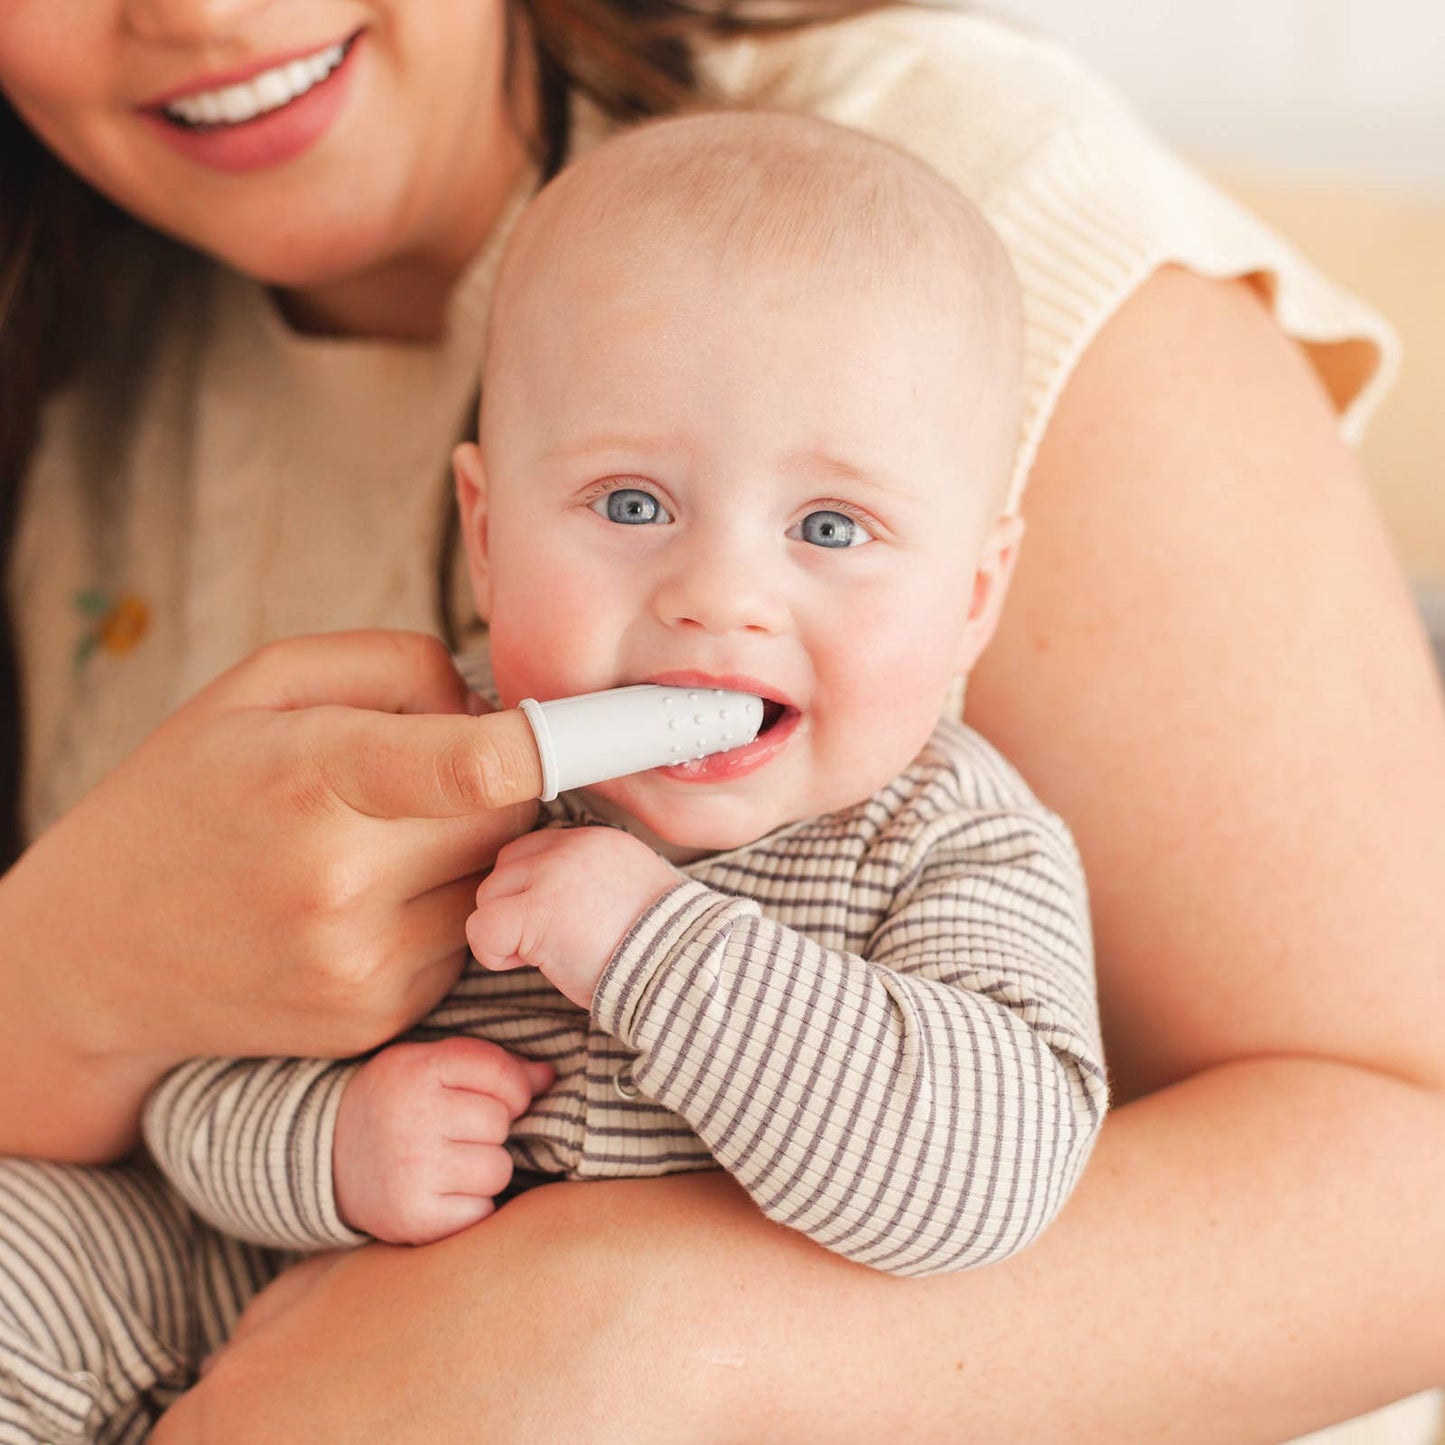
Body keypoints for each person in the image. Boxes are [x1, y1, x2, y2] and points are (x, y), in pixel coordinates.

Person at [0, 1, 1440, 1442]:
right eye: (629, 508)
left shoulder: (943, 840)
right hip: (234, 1317)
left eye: (829, 526)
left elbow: (986, 1163)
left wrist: (647, 954)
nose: (717, 602)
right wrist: (326, 1145)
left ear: (976, 593)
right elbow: (199, 1109)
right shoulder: (448, 739)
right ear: (484, 533)